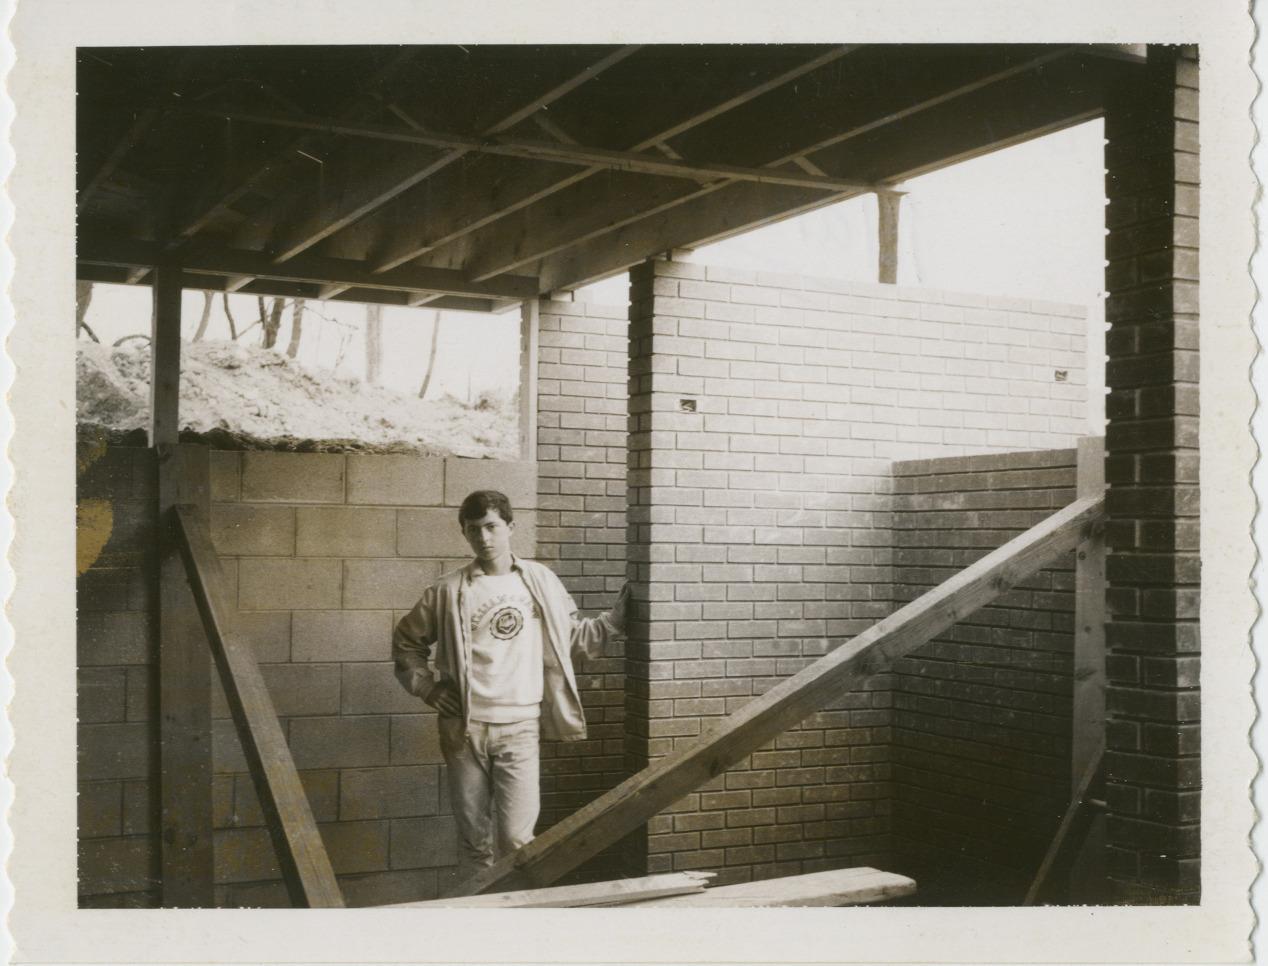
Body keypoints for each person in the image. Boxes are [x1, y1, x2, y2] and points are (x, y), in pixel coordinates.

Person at [392, 489, 627, 885]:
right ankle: (482, 934)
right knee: (474, 843)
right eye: (473, 530)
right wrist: (428, 689)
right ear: (464, 534)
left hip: (520, 727)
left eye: (491, 527)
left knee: (519, 841)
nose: (484, 538)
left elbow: (572, 638)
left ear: (510, 527)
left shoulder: (540, 580)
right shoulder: (447, 591)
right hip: (464, 731)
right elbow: (406, 643)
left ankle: (517, 930)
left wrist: (614, 622)